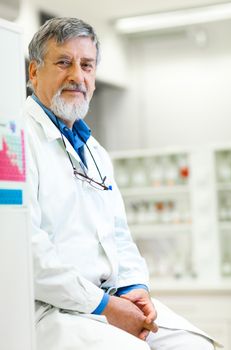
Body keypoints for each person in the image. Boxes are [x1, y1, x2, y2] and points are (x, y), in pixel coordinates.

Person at [25, 17, 218, 350]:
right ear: (33, 73)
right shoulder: (16, 139)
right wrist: (105, 306)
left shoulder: (96, 152)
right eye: (63, 63)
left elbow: (119, 236)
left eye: (86, 65)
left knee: (193, 344)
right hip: (51, 310)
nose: (77, 76)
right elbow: (28, 251)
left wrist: (134, 289)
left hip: (110, 300)